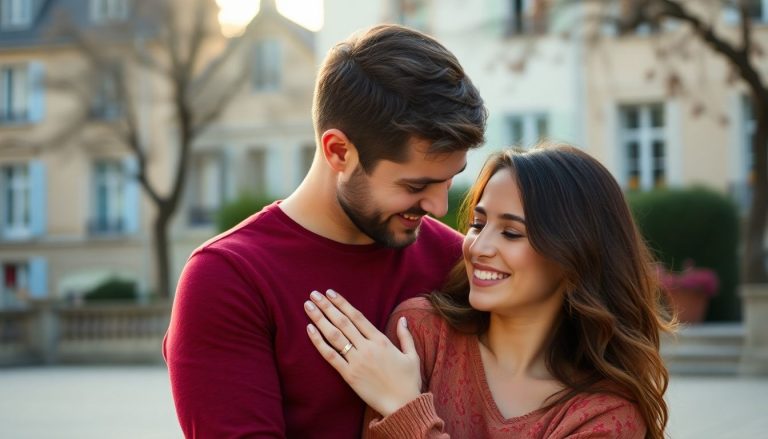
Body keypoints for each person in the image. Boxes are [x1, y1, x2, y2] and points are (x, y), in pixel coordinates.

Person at [162, 24, 487, 438]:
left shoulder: (459, 264)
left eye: (451, 179)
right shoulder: (228, 279)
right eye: (415, 186)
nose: (439, 208)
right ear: (338, 151)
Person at [304, 144, 673, 439]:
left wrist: (406, 410)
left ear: (575, 255)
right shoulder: (420, 334)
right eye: (478, 224)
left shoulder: (605, 414)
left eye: (512, 233)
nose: (477, 247)